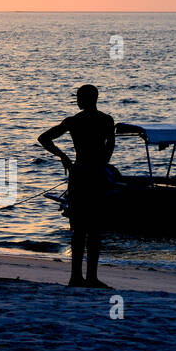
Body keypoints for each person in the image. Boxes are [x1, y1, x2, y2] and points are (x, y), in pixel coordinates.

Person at [38, 85, 116, 288]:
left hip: (80, 174)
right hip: (96, 175)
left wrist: (63, 156)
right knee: (94, 229)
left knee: (80, 229)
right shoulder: (106, 120)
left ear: (88, 99)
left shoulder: (74, 121)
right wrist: (102, 163)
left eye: (80, 97)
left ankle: (78, 277)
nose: (77, 101)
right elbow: (110, 145)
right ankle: (89, 277)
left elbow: (44, 138)